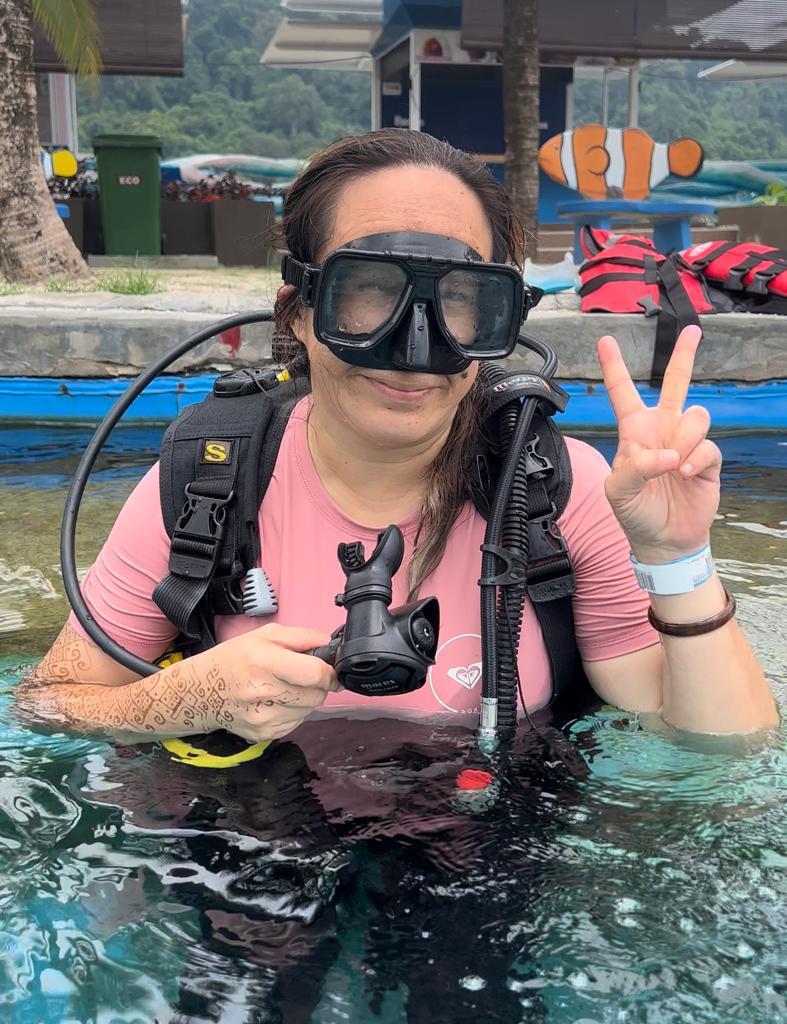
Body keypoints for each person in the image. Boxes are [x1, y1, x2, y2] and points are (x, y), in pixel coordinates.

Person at [18, 129, 778, 744]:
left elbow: (720, 749)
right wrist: (185, 699)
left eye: (461, 299)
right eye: (370, 291)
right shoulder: (206, 482)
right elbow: (46, 705)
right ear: (299, 312)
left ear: (499, 319)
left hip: (494, 854)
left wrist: (678, 559)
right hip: (257, 854)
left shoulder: (555, 487)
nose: (415, 350)